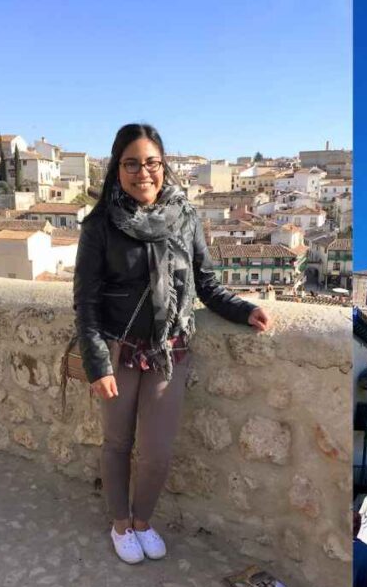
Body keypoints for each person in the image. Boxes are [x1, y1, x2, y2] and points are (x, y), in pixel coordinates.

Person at [75, 124, 272, 564]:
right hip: (119, 349)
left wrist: (242, 310)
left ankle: (143, 521)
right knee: (117, 444)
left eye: (151, 163)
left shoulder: (185, 217)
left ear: (163, 166)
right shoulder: (100, 225)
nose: (142, 173)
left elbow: (206, 283)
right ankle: (120, 523)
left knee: (158, 451)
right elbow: (85, 303)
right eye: (131, 164)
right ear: (117, 168)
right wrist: (97, 364)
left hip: (170, 350)